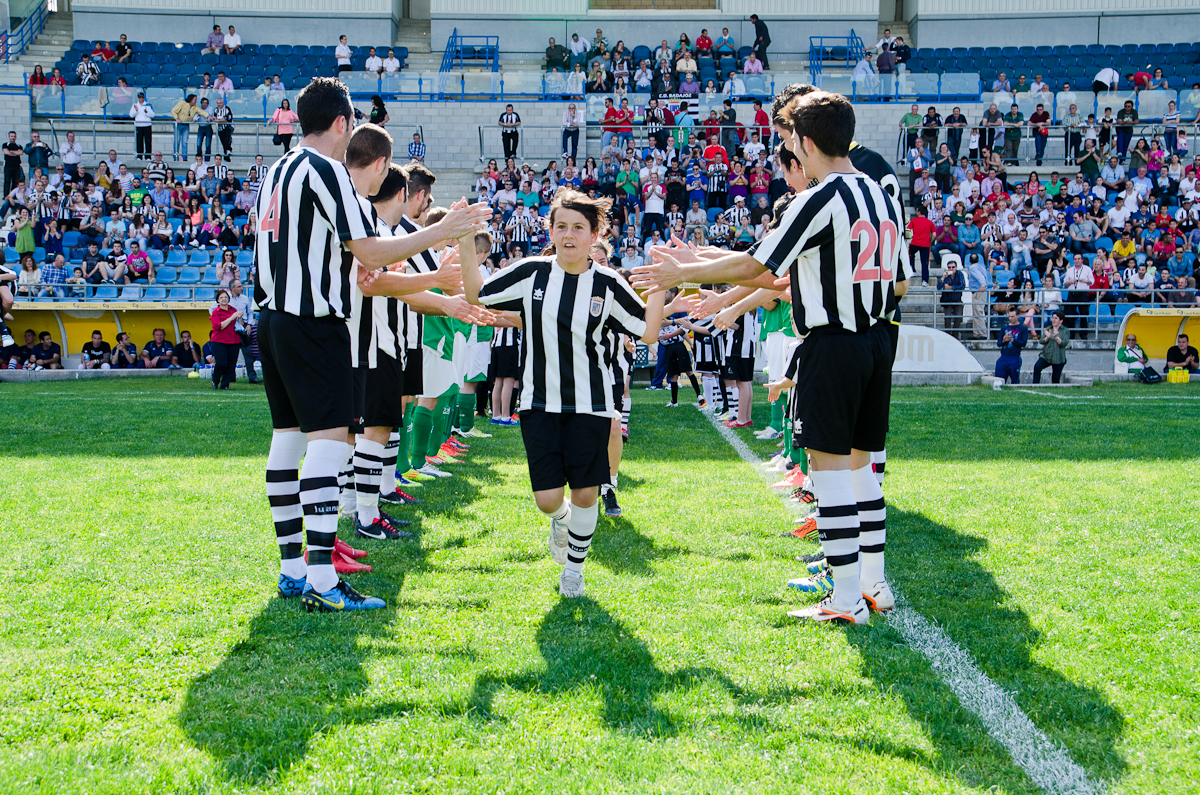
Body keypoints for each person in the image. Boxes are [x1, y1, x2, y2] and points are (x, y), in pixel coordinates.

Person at [632, 90, 904, 625]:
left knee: (827, 472)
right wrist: (701, 261)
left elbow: (760, 266)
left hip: (833, 342)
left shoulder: (820, 197)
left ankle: (846, 598)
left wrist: (682, 273)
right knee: (861, 466)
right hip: (876, 340)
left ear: (803, 143)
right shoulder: (878, 192)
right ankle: (875, 583)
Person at [254, 78, 490, 613]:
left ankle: (293, 570)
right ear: (341, 123)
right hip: (314, 321)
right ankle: (321, 580)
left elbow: (357, 258)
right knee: (331, 444)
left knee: (287, 442)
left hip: (271, 318)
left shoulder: (275, 172)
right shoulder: (325, 170)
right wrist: (444, 229)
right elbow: (372, 253)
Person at [209, 289, 242, 388]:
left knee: (231, 364)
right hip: (219, 340)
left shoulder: (233, 309)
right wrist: (232, 317)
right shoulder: (216, 312)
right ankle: (215, 380)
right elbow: (218, 326)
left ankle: (225, 384)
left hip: (233, 340)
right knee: (221, 363)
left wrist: (240, 317)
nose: (224, 299)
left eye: (226, 297)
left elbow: (240, 324)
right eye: (221, 297)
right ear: (218, 300)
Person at [1033, 310, 1069, 383]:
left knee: (1055, 378)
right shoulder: (1049, 329)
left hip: (1058, 357)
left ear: (1061, 321)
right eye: (1053, 318)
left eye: (1056, 318)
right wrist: (1047, 337)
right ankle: (1035, 385)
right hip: (1047, 355)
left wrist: (1057, 337)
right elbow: (1041, 341)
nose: (1053, 320)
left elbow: (1064, 343)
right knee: (1037, 367)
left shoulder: (1065, 330)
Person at [994, 308, 1028, 383]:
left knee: (1014, 380)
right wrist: (1004, 341)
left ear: (1018, 316)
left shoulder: (1023, 328)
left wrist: (1012, 340)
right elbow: (998, 343)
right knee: (998, 381)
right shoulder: (1004, 328)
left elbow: (1023, 343)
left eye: (1012, 316)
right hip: (1003, 356)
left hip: (1015, 357)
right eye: (1009, 316)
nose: (1010, 318)